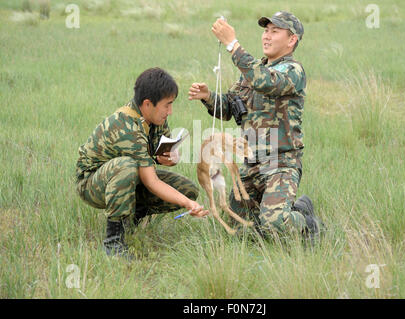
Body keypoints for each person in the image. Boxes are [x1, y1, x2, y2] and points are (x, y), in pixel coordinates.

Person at [188, 12, 324, 239]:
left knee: (273, 226)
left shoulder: (293, 71)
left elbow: (265, 81)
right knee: (239, 229)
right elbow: (230, 108)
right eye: (265, 31)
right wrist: (209, 97)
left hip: (281, 164)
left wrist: (232, 44)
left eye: (274, 31)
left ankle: (305, 220)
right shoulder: (251, 73)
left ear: (291, 40)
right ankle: (279, 209)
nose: (267, 37)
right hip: (251, 165)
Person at [76, 67, 208, 257]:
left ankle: (132, 218)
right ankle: (114, 241)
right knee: (126, 167)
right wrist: (188, 204)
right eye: (167, 105)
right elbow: (151, 182)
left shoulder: (157, 118)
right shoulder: (126, 127)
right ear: (147, 104)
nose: (170, 111)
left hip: (128, 178)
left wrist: (172, 158)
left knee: (187, 189)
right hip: (91, 184)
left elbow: (165, 155)